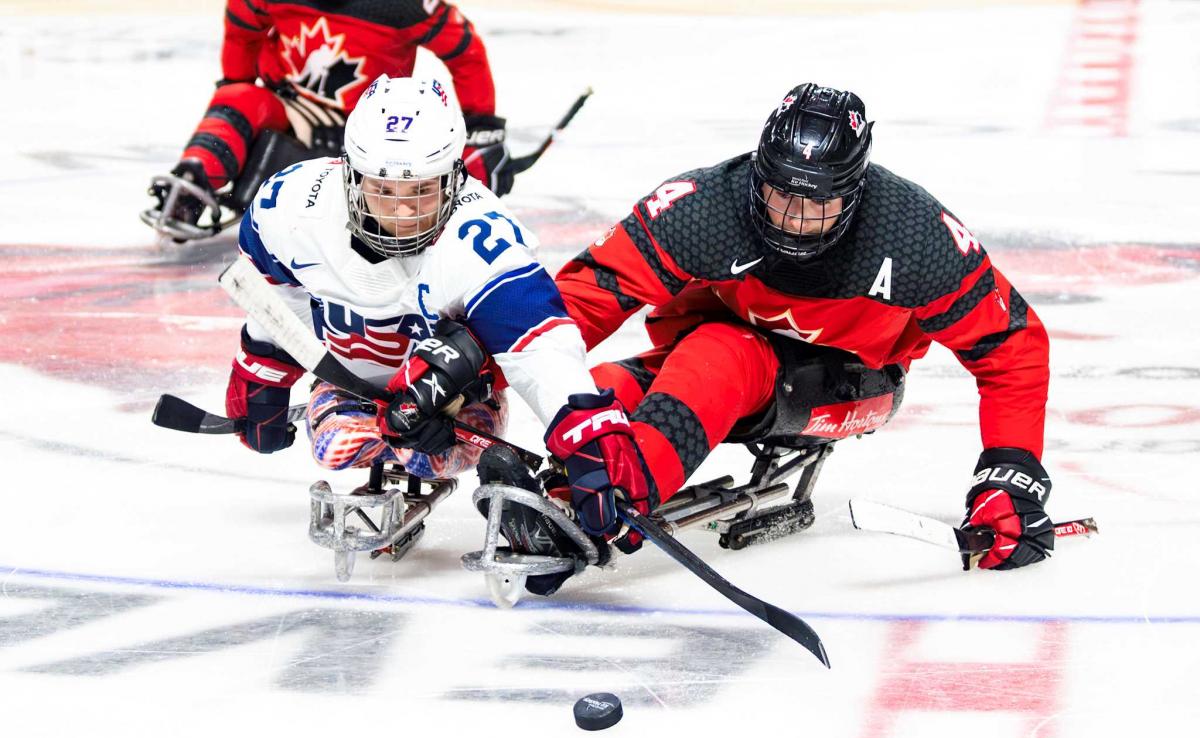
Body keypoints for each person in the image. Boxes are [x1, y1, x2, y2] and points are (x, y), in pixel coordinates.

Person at [535, 83, 1053, 584]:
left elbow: (1011, 344)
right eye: (778, 193)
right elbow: (586, 294)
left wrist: (1010, 474)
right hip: (716, 359)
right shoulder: (704, 206)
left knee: (720, 352)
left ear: (855, 192)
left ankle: (626, 490)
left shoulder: (915, 235)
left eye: (815, 203)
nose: (792, 220)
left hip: (854, 379)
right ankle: (566, 477)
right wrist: (474, 373)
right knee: (612, 383)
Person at [224, 74, 597, 534]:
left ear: (454, 176)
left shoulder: (482, 236)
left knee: (429, 457)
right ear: (349, 173)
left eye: (420, 190)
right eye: (384, 190)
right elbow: (271, 290)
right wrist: (264, 369)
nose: (402, 213)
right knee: (333, 446)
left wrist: (586, 439)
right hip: (352, 389)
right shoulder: (291, 206)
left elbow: (541, 348)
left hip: (451, 406)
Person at [143, 0, 515, 241]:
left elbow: (465, 54)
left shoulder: (404, 7)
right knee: (238, 99)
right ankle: (197, 180)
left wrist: (480, 128)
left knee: (239, 94)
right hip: (287, 107)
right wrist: (238, 83)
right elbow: (242, 22)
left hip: (367, 129)